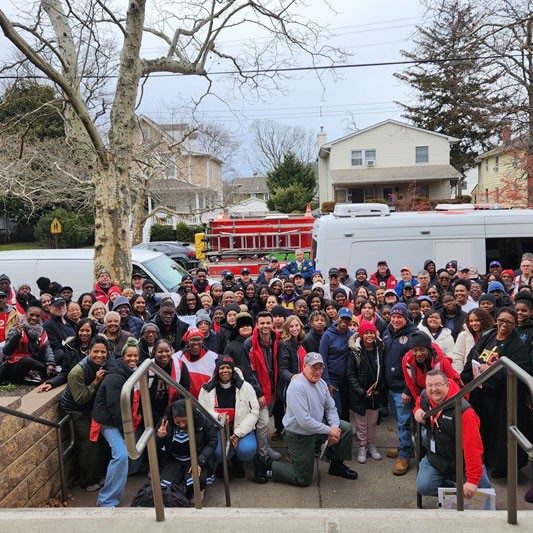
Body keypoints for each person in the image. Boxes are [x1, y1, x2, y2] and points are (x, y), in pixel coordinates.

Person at [461, 307, 533, 478]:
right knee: (480, 429)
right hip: (480, 393)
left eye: (509, 322)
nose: (504, 325)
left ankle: (500, 467)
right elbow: (474, 354)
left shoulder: (517, 346)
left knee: (498, 434)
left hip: (501, 399)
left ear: (515, 324)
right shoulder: (489, 336)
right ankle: (481, 460)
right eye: (501, 320)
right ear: (496, 320)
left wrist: (491, 370)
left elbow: (521, 371)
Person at [271, 352, 357, 486]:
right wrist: (329, 431)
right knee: (303, 479)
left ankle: (336, 465)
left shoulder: (321, 383)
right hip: (299, 434)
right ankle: (269, 466)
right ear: (304, 366)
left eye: (320, 368)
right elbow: (304, 421)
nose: (317, 372)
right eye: (313, 367)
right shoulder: (297, 386)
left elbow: (331, 408)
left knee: (345, 429)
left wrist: (334, 427)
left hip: (315, 427)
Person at [414, 370, 491, 499]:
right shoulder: (425, 398)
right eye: (429, 385)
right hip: (437, 458)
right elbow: (419, 401)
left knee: (482, 495)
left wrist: (472, 480)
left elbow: (472, 448)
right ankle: (454, 489)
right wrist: (417, 410)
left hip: (463, 462)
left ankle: (462, 487)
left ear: (447, 385)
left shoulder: (464, 412)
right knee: (423, 486)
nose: (434, 389)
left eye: (438, 384)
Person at [92, 338, 142, 507]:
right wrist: (126, 430)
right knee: (121, 456)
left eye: (135, 356)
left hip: (119, 420)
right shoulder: (115, 376)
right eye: (129, 356)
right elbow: (114, 407)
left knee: (124, 455)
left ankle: (110, 494)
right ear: (122, 356)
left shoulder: (130, 372)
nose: (132, 359)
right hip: (107, 421)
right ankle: (106, 501)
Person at [58, 334, 110, 491]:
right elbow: (80, 398)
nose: (99, 355)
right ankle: (87, 480)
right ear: (88, 352)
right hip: (75, 409)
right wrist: (95, 382)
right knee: (89, 442)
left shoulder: (105, 363)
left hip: (91, 407)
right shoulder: (77, 371)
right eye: (96, 351)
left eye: (103, 352)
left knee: (101, 440)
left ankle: (99, 473)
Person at [199, 355, 260, 478]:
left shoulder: (245, 387)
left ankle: (237, 461)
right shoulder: (206, 389)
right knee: (218, 453)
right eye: (222, 368)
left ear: (233, 370)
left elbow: (254, 411)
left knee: (247, 450)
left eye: (228, 367)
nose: (225, 370)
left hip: (240, 428)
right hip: (218, 429)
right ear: (217, 370)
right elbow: (202, 410)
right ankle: (222, 463)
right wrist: (218, 417)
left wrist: (238, 434)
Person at [240, 311, 281, 483]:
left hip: (274, 389)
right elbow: (248, 372)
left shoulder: (278, 340)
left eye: (268, 323)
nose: (265, 326)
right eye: (262, 323)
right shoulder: (249, 343)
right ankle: (261, 461)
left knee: (266, 424)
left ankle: (265, 448)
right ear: (257, 325)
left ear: (272, 324)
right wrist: (258, 393)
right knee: (263, 423)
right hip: (259, 392)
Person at [156, 399, 218, 500]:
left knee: (195, 483)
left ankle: (195, 489)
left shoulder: (202, 422)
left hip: (195, 458)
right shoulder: (166, 423)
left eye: (185, 421)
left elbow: (212, 442)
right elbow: (156, 447)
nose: (182, 425)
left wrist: (200, 461)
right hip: (174, 460)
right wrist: (159, 437)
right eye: (178, 422)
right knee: (164, 486)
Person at [382, 302, 417, 476]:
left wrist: (408, 390)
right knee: (398, 420)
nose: (395, 320)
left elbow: (414, 366)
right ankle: (404, 446)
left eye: (399, 317)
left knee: (404, 423)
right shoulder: (387, 333)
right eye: (393, 316)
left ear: (406, 318)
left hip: (403, 389)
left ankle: (404, 456)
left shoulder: (413, 335)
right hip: (390, 387)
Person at [346, 321, 385, 463]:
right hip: (360, 394)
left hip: (375, 392)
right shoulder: (355, 352)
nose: (369, 335)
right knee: (361, 423)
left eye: (371, 333)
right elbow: (350, 375)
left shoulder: (380, 348)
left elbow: (383, 370)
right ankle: (362, 445)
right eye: (366, 333)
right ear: (361, 336)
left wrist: (379, 389)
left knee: (372, 421)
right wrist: (361, 391)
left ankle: (371, 444)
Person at [38, 318, 99, 392]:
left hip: (96, 385)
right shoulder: (71, 347)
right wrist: (51, 383)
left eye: (87, 330)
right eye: (81, 330)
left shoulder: (99, 345)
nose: (84, 333)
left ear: (92, 331)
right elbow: (65, 373)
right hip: (76, 384)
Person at [401, 330, 461, 402]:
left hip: (446, 398)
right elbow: (411, 385)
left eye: (422, 350)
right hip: (424, 396)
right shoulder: (406, 361)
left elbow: (451, 385)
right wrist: (420, 404)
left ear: (428, 350)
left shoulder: (443, 362)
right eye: (415, 350)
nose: (419, 353)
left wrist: (439, 405)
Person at [2, 306, 55, 384]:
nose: (34, 318)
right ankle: (50, 372)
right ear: (26, 315)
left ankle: (48, 371)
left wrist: (50, 363)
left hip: (33, 362)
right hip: (14, 366)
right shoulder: (16, 329)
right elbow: (6, 351)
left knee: (58, 353)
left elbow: (48, 349)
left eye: (37, 316)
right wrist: (17, 336)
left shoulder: (42, 331)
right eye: (31, 315)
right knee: (27, 360)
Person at [319, 307, 354, 421]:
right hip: (333, 380)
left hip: (347, 380)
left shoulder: (352, 335)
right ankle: (333, 436)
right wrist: (327, 383)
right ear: (337, 318)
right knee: (336, 411)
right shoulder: (327, 335)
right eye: (342, 318)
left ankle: (344, 437)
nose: (345, 321)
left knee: (346, 411)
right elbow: (322, 359)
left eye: (347, 319)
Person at [149, 338, 191, 425]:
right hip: (151, 413)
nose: (164, 354)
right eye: (160, 352)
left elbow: (185, 393)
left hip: (174, 413)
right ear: (154, 352)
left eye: (167, 351)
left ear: (172, 351)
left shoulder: (180, 366)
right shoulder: (148, 367)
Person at [174, 327, 218, 399]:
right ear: (187, 342)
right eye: (193, 340)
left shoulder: (214, 357)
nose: (196, 343)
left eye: (199, 339)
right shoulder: (177, 357)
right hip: (185, 401)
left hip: (206, 400)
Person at [450, 308, 494, 373]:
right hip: (467, 374)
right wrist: (460, 376)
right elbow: (457, 357)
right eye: (471, 321)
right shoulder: (463, 335)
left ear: (484, 320)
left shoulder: (492, 335)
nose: (473, 323)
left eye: (477, 320)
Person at [43, 297, 76, 365]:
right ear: (50, 308)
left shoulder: (71, 322)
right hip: (62, 357)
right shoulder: (48, 325)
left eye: (63, 305)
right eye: (57, 306)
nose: (61, 308)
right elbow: (54, 345)